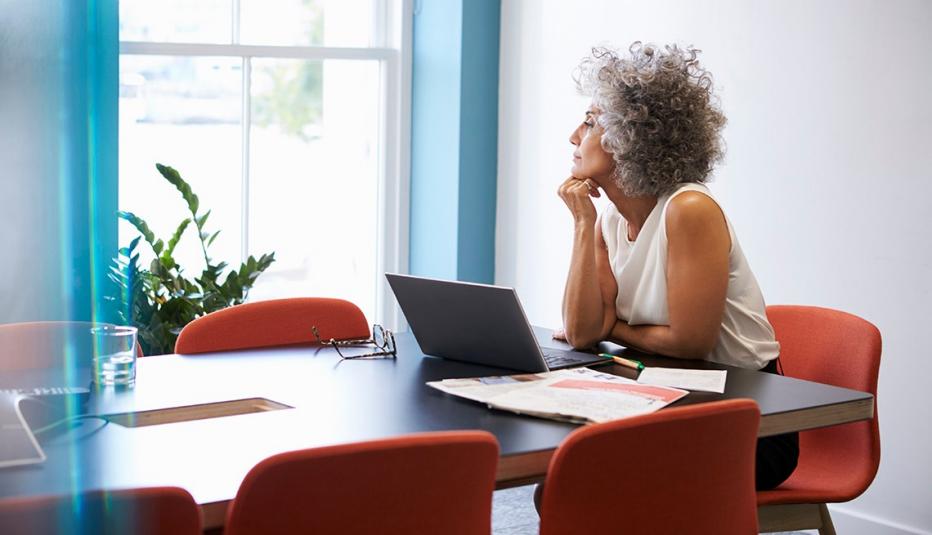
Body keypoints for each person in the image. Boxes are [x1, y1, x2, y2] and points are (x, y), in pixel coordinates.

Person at [557, 43, 798, 491]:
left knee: (580, 484)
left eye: (590, 121)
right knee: (562, 483)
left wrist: (614, 328)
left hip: (748, 420)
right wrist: (581, 221)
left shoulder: (689, 209)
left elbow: (689, 343)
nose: (574, 136)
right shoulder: (608, 217)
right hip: (667, 397)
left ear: (633, 136)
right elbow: (582, 332)